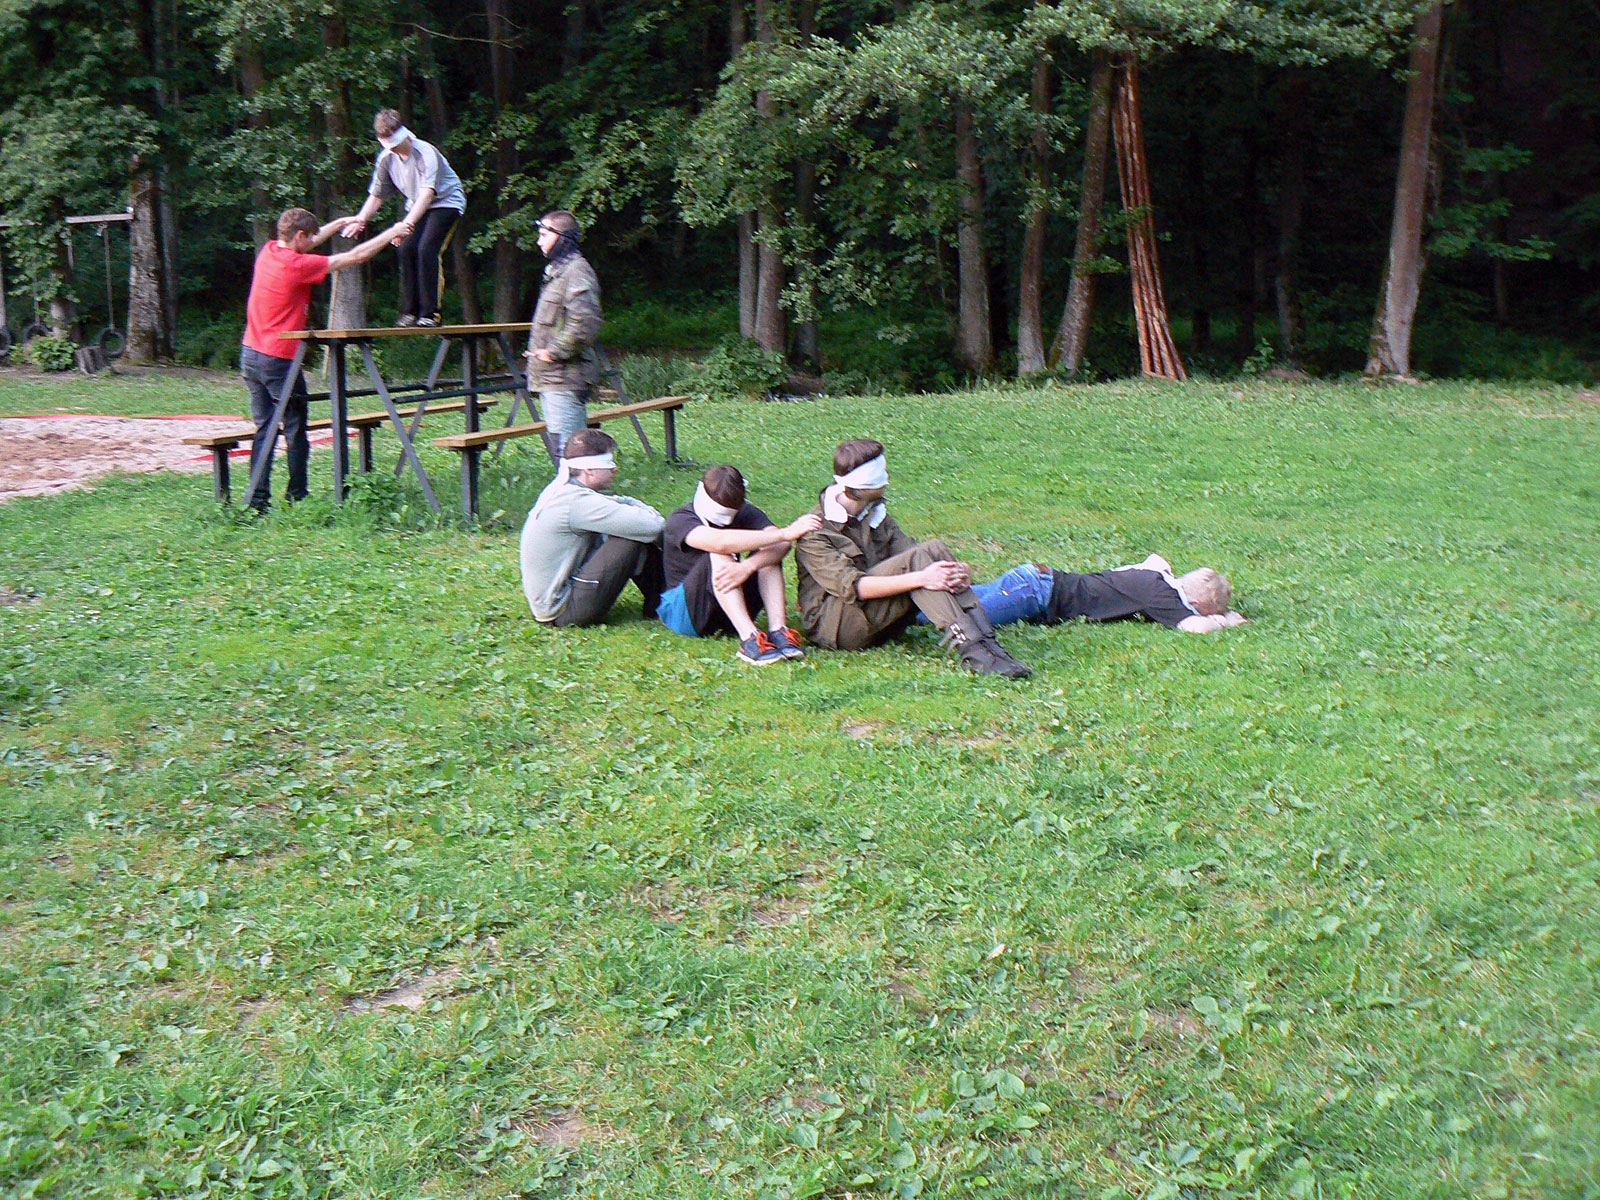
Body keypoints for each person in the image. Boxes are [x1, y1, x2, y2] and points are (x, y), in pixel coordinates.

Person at [792, 439, 1032, 679]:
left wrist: (960, 571)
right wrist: (923, 578)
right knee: (920, 563)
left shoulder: (874, 514)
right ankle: (974, 649)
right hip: (837, 626)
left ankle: (986, 643)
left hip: (878, 618)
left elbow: (915, 554)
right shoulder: (814, 532)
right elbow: (854, 587)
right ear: (863, 484)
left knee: (933, 549)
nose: (886, 478)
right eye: (879, 473)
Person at [242, 207, 408, 511]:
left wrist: (343, 222)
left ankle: (257, 500)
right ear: (299, 236)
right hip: (277, 358)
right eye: (310, 237)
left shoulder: (270, 250)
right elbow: (355, 256)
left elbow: (311, 239)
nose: (314, 241)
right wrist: (392, 232)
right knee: (294, 426)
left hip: (250, 353)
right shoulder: (296, 264)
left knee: (265, 427)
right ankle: (297, 496)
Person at [657, 465, 823, 665]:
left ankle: (779, 631)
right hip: (686, 612)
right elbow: (719, 542)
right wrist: (784, 533)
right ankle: (749, 639)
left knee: (769, 551)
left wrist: (748, 566)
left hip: (728, 609)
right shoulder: (681, 519)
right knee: (720, 553)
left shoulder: (745, 512)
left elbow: (781, 545)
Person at [519, 429, 665, 627]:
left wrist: (628, 504)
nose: (615, 468)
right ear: (589, 469)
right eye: (609, 463)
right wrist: (638, 506)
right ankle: (662, 601)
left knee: (629, 526)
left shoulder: (566, 492)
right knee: (631, 536)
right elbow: (655, 527)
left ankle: (661, 599)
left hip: (552, 604)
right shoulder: (576, 503)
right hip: (562, 611)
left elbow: (616, 503)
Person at [342, 109, 468, 328]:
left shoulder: (425, 153)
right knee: (406, 249)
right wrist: (360, 219)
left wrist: (405, 225)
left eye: (394, 143)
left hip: (446, 201)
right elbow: (377, 195)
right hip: (416, 205)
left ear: (403, 134)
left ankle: (430, 314)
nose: (392, 149)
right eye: (387, 145)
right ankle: (410, 312)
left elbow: (427, 194)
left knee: (427, 249)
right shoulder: (386, 159)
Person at [947, 555, 1248, 633]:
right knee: (961, 618)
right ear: (1193, 603)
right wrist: (1225, 620)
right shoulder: (1162, 596)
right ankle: (916, 611)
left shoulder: (1156, 574)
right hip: (1037, 594)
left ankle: (920, 593)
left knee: (957, 599)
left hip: (1034, 578)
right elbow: (1196, 628)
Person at [524, 210, 601, 454]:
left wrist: (553, 352)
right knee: (565, 452)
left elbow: (584, 324)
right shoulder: (558, 271)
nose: (539, 241)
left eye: (544, 235)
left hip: (565, 379)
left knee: (570, 455)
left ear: (561, 237)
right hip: (553, 379)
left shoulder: (576, 271)